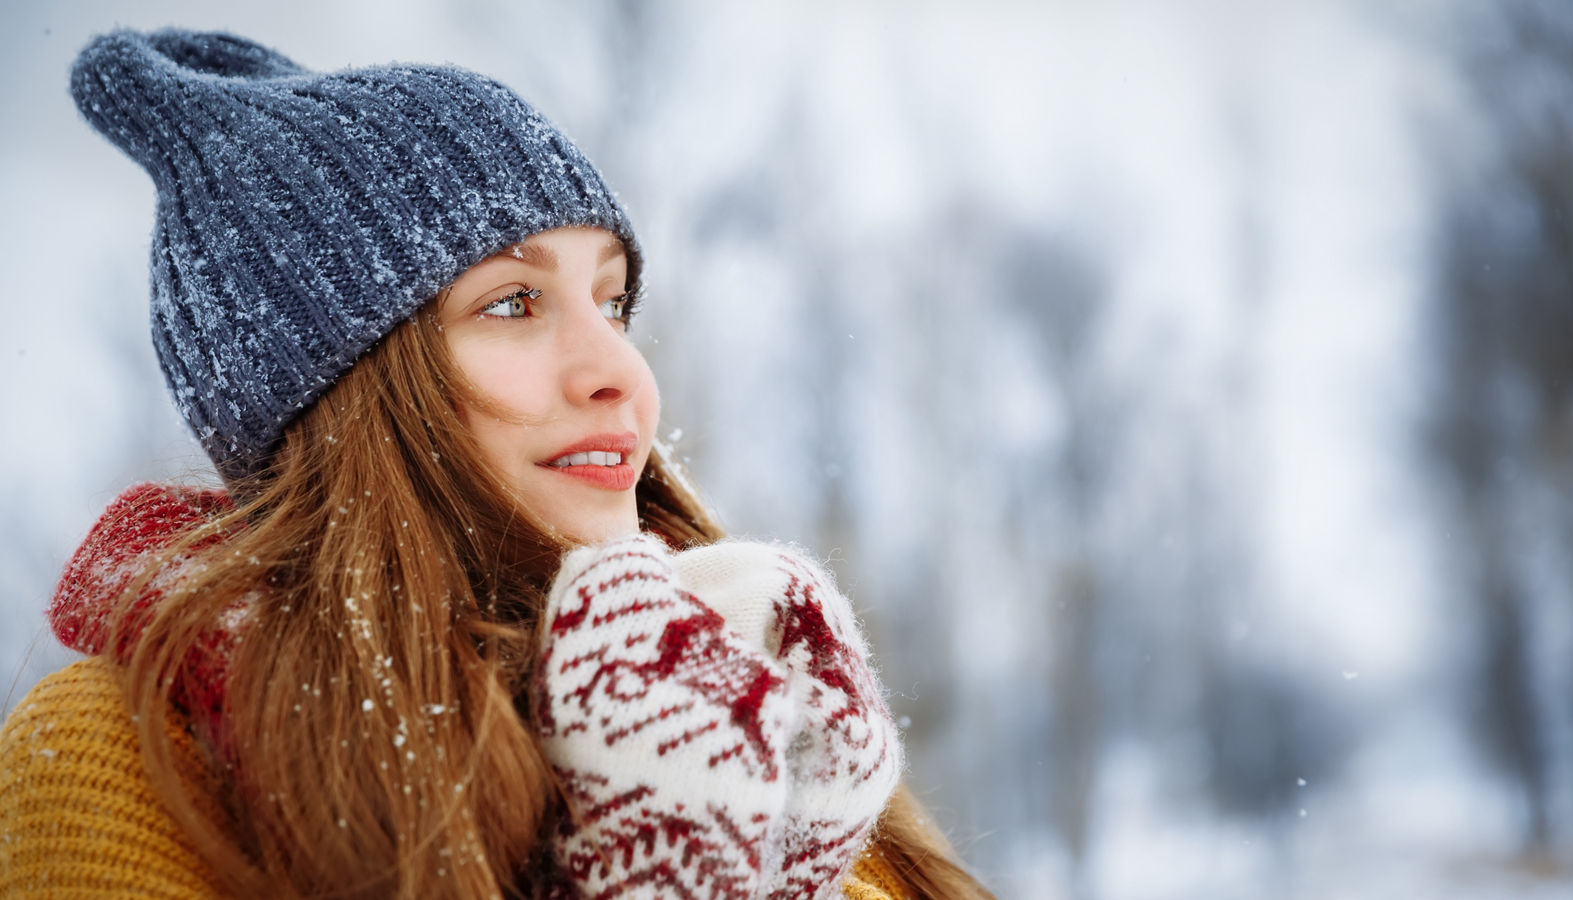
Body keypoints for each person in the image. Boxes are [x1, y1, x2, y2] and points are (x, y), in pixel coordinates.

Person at [0, 27, 994, 900]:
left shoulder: (757, 684)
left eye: (612, 304)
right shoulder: (126, 763)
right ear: (344, 396)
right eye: (513, 304)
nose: (621, 374)